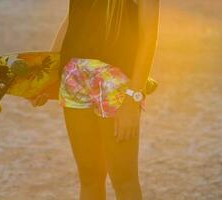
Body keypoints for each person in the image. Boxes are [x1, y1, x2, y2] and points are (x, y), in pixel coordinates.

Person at [29, 0, 160, 199]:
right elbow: (72, 19)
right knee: (89, 177)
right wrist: (48, 76)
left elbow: (149, 37)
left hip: (115, 83)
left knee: (124, 180)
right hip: (74, 75)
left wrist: (133, 97)